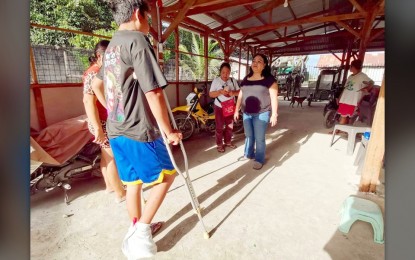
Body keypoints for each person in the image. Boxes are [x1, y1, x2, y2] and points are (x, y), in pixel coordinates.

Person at [90, 0, 182, 258]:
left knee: (134, 183)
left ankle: (136, 227)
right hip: (137, 129)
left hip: (116, 129)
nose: (150, 24)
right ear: (137, 13)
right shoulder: (137, 41)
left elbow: (97, 86)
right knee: (167, 175)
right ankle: (140, 234)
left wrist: (114, 108)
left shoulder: (111, 47)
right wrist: (168, 131)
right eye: (149, 17)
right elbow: (153, 93)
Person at [82, 40, 126, 203]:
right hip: (101, 123)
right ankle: (120, 193)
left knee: (106, 156)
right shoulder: (95, 73)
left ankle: (109, 186)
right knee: (112, 157)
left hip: (103, 121)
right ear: (100, 56)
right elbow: (88, 102)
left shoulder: (97, 71)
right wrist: (98, 129)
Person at [234, 53, 279, 170]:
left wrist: (274, 114)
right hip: (246, 113)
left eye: (259, 61)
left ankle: (259, 159)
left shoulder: (269, 80)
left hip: (262, 113)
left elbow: (274, 97)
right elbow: (240, 94)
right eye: (254, 60)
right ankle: (249, 154)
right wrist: (236, 109)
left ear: (264, 65)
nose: (255, 63)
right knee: (248, 135)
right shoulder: (246, 78)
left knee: (259, 138)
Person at [209, 62, 240, 153]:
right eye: (223, 72)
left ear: (230, 72)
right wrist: (220, 92)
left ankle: (228, 142)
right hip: (219, 106)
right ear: (220, 72)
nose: (225, 75)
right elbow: (211, 94)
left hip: (230, 106)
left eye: (227, 72)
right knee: (219, 127)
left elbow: (239, 92)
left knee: (230, 126)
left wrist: (232, 93)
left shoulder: (233, 80)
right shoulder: (216, 81)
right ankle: (219, 144)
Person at [337, 59, 372, 126]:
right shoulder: (350, 76)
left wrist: (367, 88)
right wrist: (340, 97)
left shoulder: (362, 76)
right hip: (345, 99)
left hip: (351, 100)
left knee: (344, 115)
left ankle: (339, 130)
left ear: (353, 67)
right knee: (343, 115)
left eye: (350, 66)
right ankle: (340, 129)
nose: (350, 67)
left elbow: (371, 82)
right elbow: (345, 88)